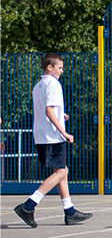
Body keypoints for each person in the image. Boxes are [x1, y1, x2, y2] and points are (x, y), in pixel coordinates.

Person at [14, 53, 92, 228]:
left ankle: (69, 211)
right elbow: (49, 110)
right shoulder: (54, 84)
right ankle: (28, 205)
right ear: (50, 67)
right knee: (61, 172)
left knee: (61, 170)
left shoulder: (38, 85)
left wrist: (60, 115)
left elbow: (45, 110)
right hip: (52, 135)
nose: (61, 71)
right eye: (59, 67)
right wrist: (64, 132)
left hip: (41, 134)